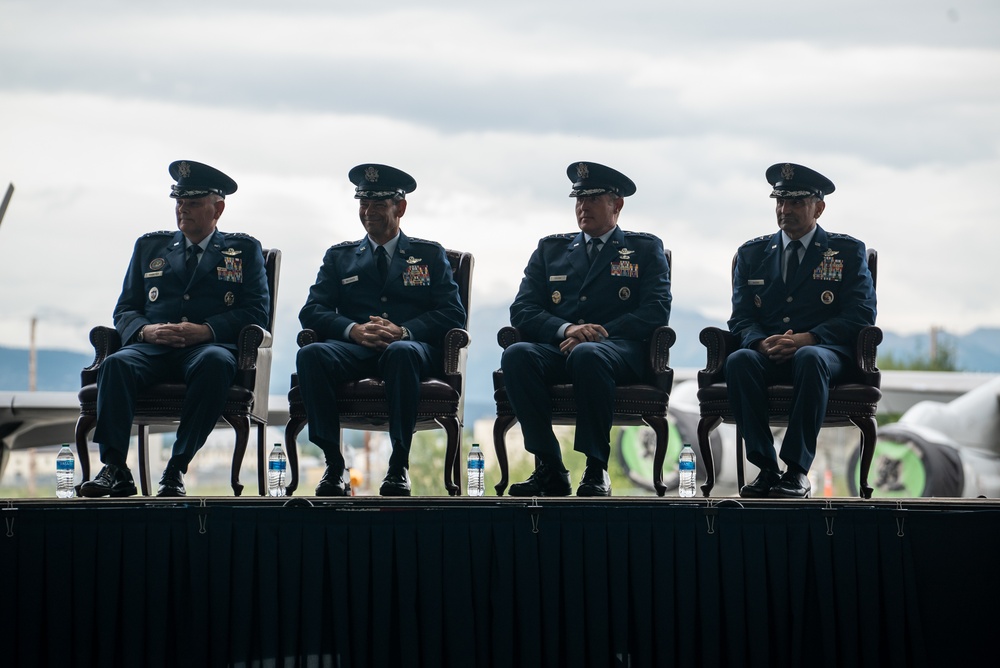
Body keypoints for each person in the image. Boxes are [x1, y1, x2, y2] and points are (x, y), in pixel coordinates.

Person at [80, 160, 270, 498]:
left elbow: (257, 310)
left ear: (218, 208)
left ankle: (176, 468)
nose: (183, 210)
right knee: (116, 364)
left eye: (194, 203)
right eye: (179, 203)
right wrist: (145, 332)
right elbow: (125, 309)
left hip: (206, 349)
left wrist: (206, 330)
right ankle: (115, 469)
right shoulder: (149, 247)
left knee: (214, 363)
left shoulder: (243, 250)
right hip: (153, 346)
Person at [501, 161, 672, 497]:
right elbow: (522, 309)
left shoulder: (643, 248)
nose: (583, 206)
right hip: (563, 347)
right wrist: (566, 329)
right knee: (517, 354)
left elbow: (655, 310)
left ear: (617, 204)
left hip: (619, 351)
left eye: (593, 198)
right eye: (579, 199)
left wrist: (597, 332)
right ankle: (550, 467)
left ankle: (596, 469)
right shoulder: (552, 249)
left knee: (589, 354)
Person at [296, 164, 466, 497]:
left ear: (399, 208)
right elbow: (311, 311)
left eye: (378, 204)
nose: (368, 212)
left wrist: (404, 331)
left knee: (400, 353)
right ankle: (334, 465)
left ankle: (398, 465)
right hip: (356, 349)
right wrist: (352, 330)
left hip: (410, 351)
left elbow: (452, 313)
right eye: (363, 204)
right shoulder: (339, 257)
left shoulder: (428, 254)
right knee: (311, 354)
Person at [726, 163, 877, 499]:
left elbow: (862, 314)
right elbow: (741, 318)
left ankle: (796, 471)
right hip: (770, 351)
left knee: (809, 357)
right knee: (739, 360)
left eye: (795, 202)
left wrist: (810, 337)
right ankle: (766, 468)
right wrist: (759, 343)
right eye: (780, 201)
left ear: (818, 207)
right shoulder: (752, 254)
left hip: (825, 352)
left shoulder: (846, 252)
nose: (785, 210)